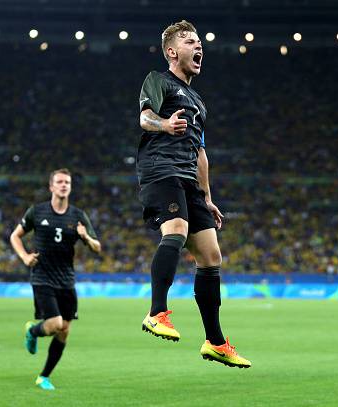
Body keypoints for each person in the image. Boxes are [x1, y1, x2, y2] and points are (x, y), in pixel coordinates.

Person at [136, 20, 250, 368]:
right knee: (176, 229)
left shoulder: (199, 101)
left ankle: (215, 342)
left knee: (211, 256)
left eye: (199, 41)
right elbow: (144, 118)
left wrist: (207, 197)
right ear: (172, 51)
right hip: (160, 170)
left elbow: (201, 153)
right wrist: (165, 124)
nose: (198, 46)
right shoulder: (158, 80)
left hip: (189, 179)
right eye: (189, 41)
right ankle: (156, 312)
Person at [10, 168, 101, 390]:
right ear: (51, 186)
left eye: (67, 182)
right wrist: (24, 256)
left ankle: (44, 376)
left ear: (70, 187)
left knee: (64, 330)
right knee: (54, 324)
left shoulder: (78, 216)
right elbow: (15, 236)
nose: (63, 185)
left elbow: (97, 248)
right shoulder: (37, 212)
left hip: (66, 280)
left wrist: (86, 237)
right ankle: (33, 331)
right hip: (42, 277)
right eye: (59, 182)